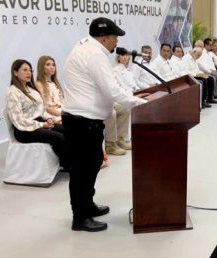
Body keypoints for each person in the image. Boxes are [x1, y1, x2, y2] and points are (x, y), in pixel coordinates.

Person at [61, 18, 149, 232]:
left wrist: (135, 98)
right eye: (115, 37)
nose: (116, 42)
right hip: (82, 121)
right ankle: (80, 217)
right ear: (104, 37)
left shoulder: (86, 47)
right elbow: (112, 90)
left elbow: (110, 87)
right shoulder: (94, 55)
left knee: (92, 164)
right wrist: (141, 104)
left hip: (83, 120)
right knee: (83, 170)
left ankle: (87, 205)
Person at [34, 56, 63, 123]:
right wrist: (62, 115)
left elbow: (62, 101)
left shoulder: (54, 83)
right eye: (48, 64)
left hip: (61, 111)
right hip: (51, 115)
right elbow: (44, 107)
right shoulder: (39, 84)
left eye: (53, 65)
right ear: (41, 67)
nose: (52, 67)